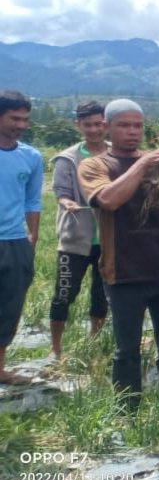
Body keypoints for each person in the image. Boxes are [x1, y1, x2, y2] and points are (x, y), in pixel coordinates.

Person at [77, 99, 159, 419]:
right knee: (126, 349)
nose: (132, 132)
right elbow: (108, 200)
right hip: (123, 273)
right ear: (107, 128)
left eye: (138, 126)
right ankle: (127, 411)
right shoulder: (94, 165)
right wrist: (142, 165)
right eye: (124, 125)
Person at [49, 100, 108, 360]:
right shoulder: (68, 158)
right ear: (78, 125)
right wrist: (67, 202)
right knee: (64, 293)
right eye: (88, 125)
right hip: (74, 239)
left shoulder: (115, 154)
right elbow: (61, 192)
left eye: (98, 124)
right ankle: (55, 348)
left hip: (108, 240)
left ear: (106, 125)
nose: (94, 130)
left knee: (101, 294)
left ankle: (94, 343)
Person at [0, 90, 41, 385]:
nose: (21, 125)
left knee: (9, 307)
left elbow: (32, 201)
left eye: (25, 119)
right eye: (15, 118)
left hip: (15, 243)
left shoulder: (31, 157)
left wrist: (32, 238)